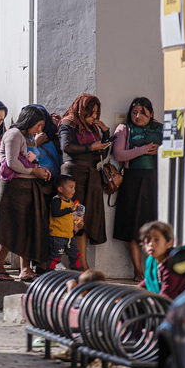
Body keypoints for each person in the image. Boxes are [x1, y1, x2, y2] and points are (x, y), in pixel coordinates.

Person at [0, 106, 52, 282]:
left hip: (26, 188)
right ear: (30, 121)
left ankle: (25, 269)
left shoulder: (28, 137)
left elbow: (30, 160)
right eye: (38, 125)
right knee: (8, 228)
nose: (39, 130)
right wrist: (35, 172)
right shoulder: (14, 135)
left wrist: (39, 170)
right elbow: (12, 163)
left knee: (25, 228)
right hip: (12, 189)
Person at [112, 97, 163, 282]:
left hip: (156, 181)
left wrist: (160, 150)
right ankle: (138, 270)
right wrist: (142, 150)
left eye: (142, 112)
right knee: (131, 226)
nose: (138, 116)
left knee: (154, 225)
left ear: (151, 114)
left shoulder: (160, 129)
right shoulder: (124, 129)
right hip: (132, 180)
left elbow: (175, 149)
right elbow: (118, 154)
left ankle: (154, 270)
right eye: (134, 112)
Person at [59, 94, 110, 270]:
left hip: (91, 175)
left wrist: (105, 133)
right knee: (74, 218)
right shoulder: (69, 123)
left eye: (97, 113)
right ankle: (76, 262)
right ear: (82, 109)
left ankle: (82, 262)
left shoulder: (92, 127)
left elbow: (101, 153)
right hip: (74, 174)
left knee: (85, 219)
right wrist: (90, 148)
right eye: (91, 112)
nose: (94, 117)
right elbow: (66, 147)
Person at [137, 221, 185, 299]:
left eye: (156, 240)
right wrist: (126, 295)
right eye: (148, 240)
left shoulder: (173, 265)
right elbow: (148, 281)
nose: (151, 244)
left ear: (169, 243)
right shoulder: (152, 261)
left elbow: (166, 298)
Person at [48, 174, 82, 271]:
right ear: (60, 189)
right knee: (55, 256)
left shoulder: (71, 203)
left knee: (75, 254)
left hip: (69, 236)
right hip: (57, 235)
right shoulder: (56, 200)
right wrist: (69, 210)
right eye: (70, 187)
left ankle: (77, 272)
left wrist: (78, 222)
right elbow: (55, 213)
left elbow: (72, 217)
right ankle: (49, 274)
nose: (73, 190)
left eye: (74, 188)